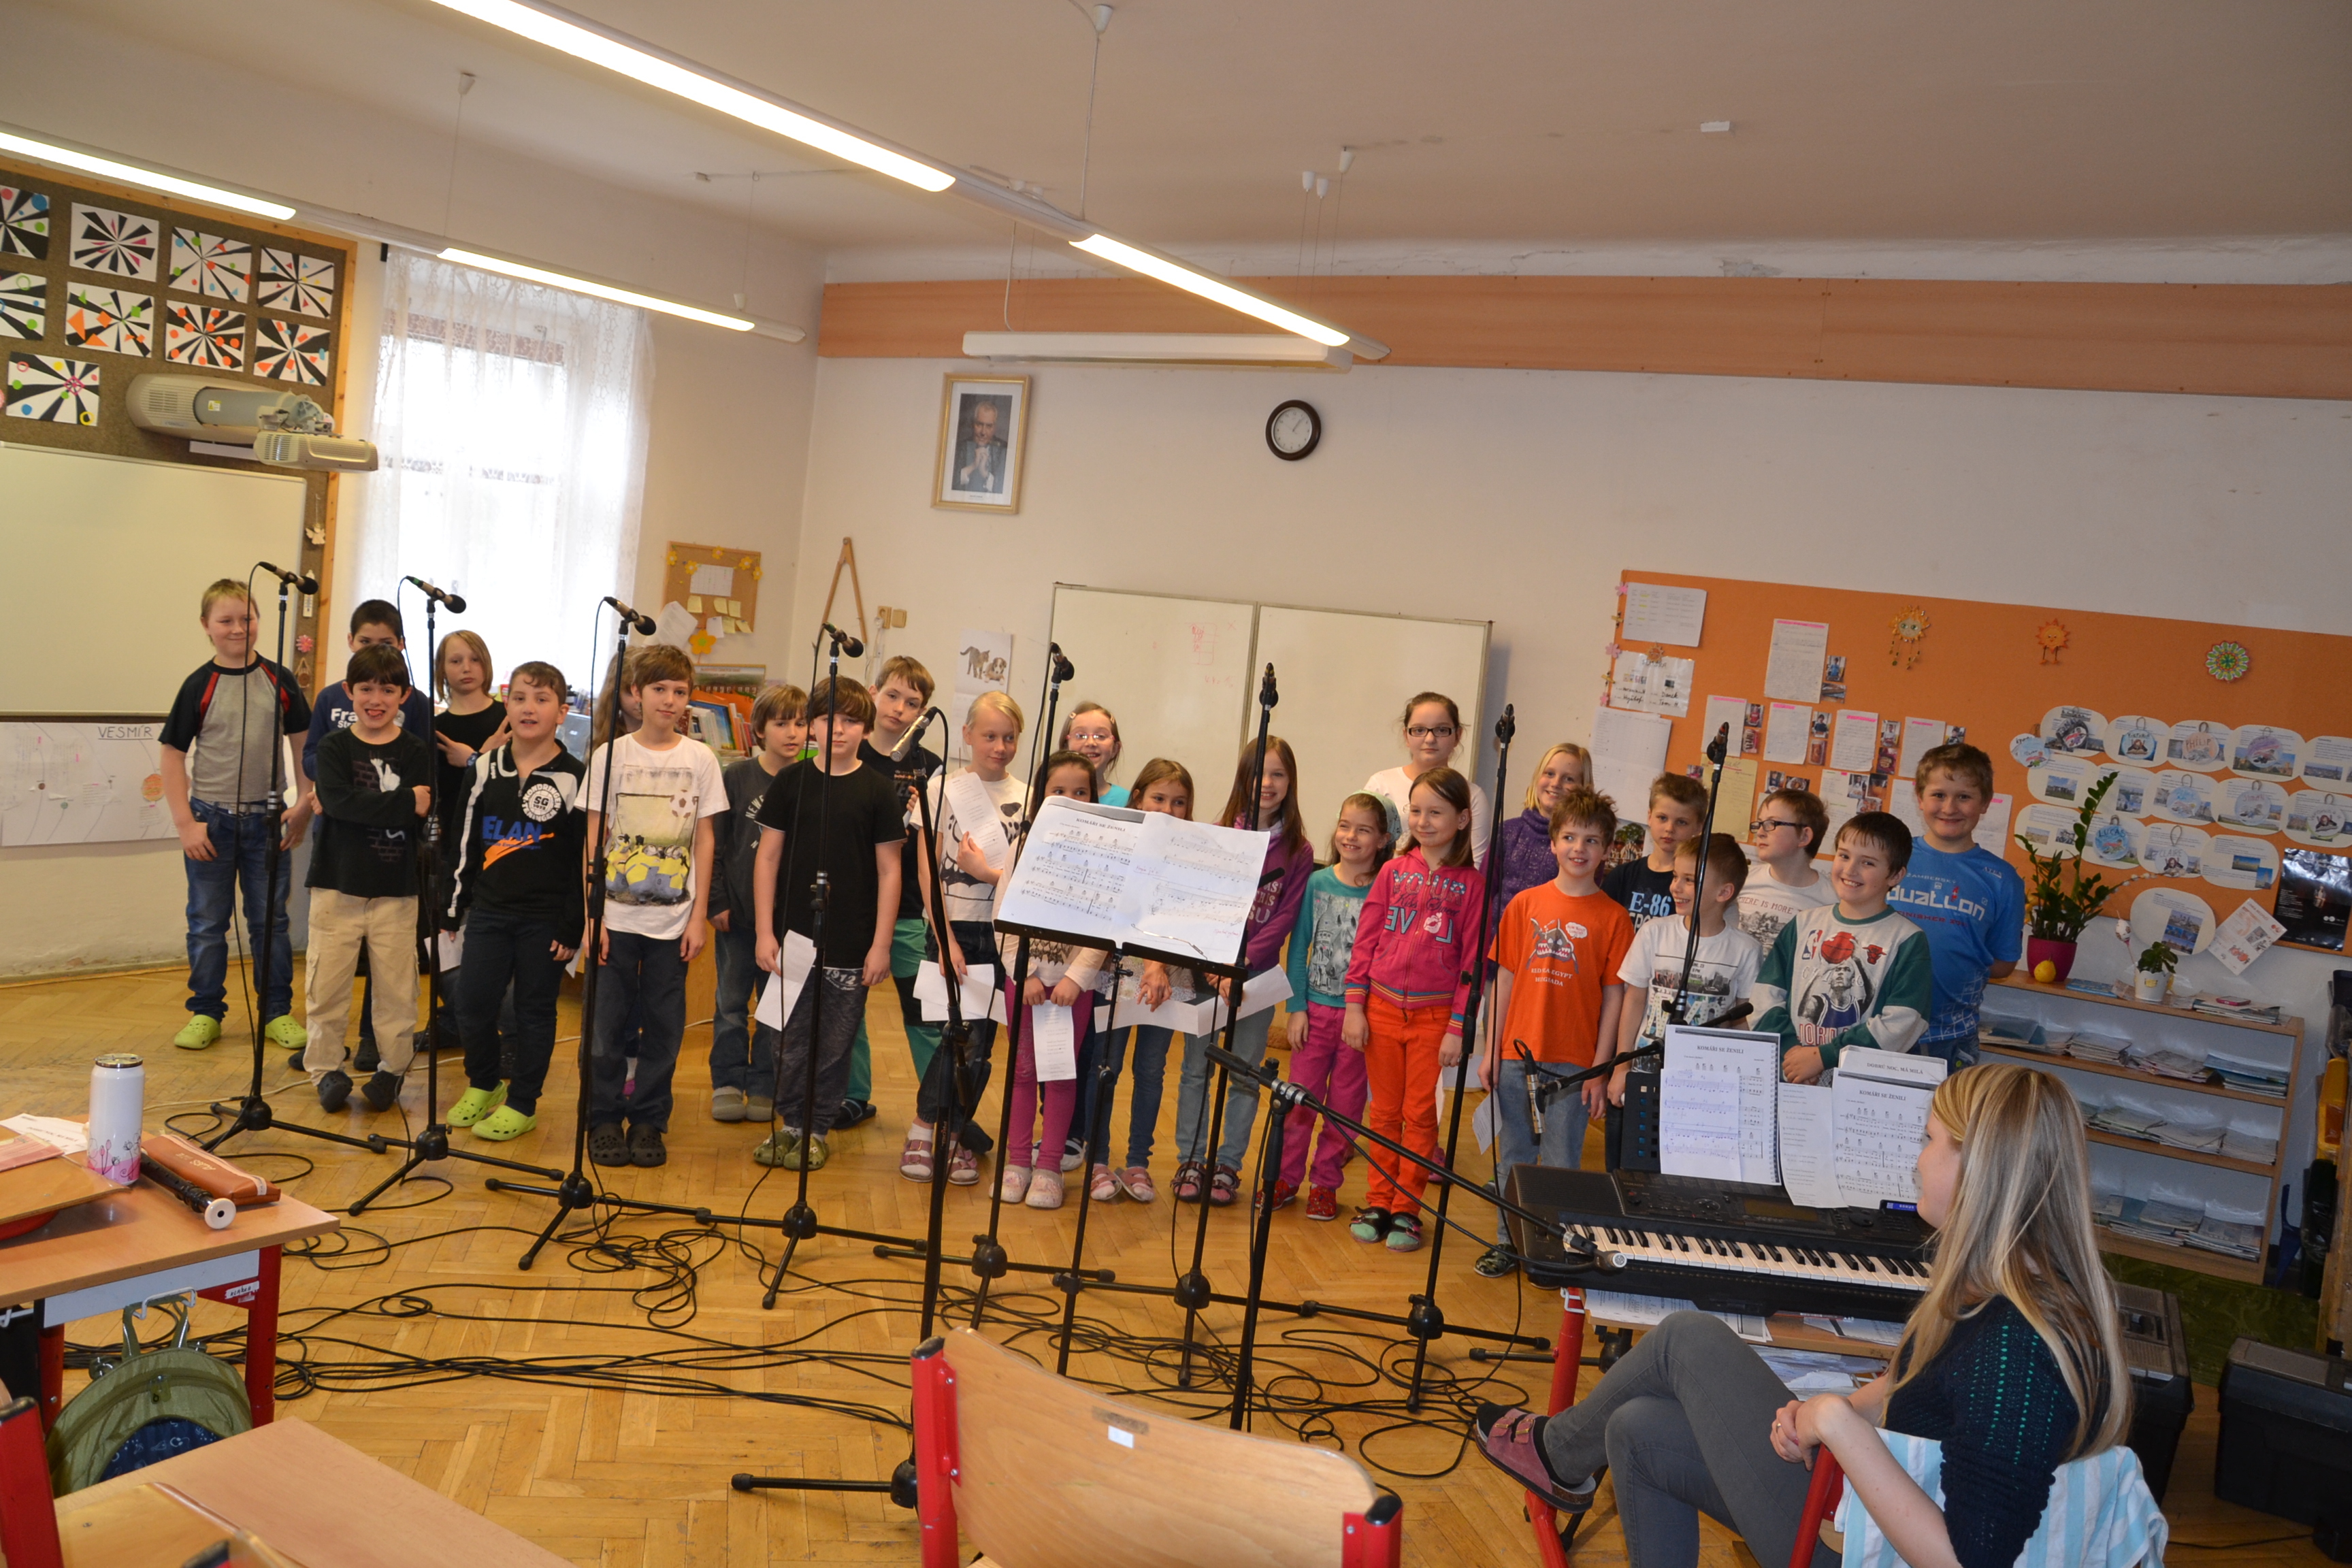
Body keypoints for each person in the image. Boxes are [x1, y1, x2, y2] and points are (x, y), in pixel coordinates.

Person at [1471, 1061, 2134, 1568]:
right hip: (1863, 1515)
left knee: (1687, 1338)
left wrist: (1837, 1424)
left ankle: (1557, 1455)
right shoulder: (1995, 1292)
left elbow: (1967, 1559)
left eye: (1930, 1139)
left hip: (1861, 1550)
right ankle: (1562, 1457)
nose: (1916, 1159)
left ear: (1980, 1168)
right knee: (1637, 1428)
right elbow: (1913, 1388)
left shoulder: (2020, 1348)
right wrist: (1828, 1411)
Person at [1477, 787, 1635, 1277]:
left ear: (1607, 850)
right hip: (1515, 1054)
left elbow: (1615, 1000)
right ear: (1553, 842)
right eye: (1569, 837)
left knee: (1563, 1160)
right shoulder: (1524, 904)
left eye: (1591, 840)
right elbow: (1503, 981)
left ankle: (1551, 1250)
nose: (1578, 848)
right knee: (1514, 1156)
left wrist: (1599, 1070)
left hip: (1575, 1065)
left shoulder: (1615, 919)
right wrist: (1491, 1050)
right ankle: (1509, 1242)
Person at [749, 676, 904, 1173]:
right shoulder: (791, 782)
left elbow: (890, 871)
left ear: (867, 728)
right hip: (791, 939)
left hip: (851, 944)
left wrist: (881, 945)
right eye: (827, 718)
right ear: (812, 724)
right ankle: (791, 1124)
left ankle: (816, 1130)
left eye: (852, 721)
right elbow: (767, 859)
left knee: (834, 1046)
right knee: (784, 1040)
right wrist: (765, 932)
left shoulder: (878, 790)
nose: (838, 729)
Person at [583, 642, 725, 1169]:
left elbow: (705, 841)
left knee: (664, 1029)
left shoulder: (700, 759)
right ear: (635, 694)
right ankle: (601, 1117)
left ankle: (648, 1119)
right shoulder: (611, 756)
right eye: (659, 689)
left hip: (674, 922)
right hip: (615, 919)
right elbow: (593, 839)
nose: (669, 700)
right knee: (605, 1028)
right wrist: (593, 916)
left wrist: (697, 916)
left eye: (679, 691)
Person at [160, 579, 314, 1054]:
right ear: (206, 626)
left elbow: (304, 746)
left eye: (246, 618)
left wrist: (303, 805)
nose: (237, 628)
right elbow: (172, 755)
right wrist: (186, 824)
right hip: (211, 822)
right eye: (225, 620)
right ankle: (206, 1012)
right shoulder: (198, 685)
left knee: (271, 923)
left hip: (267, 824)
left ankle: (276, 1011)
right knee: (208, 924)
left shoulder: (279, 680)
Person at [1343, 766, 1486, 1254]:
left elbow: (1472, 964)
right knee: (1384, 1112)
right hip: (1381, 1010)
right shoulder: (1392, 872)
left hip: (1434, 1018)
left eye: (1436, 813)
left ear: (1462, 819)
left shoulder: (1472, 885)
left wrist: (1457, 1027)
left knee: (1421, 1114)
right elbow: (1366, 941)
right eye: (1417, 811)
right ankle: (1378, 1202)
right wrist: (1355, 1005)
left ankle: (1407, 1207)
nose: (1423, 821)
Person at [440, 660, 585, 1141]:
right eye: (520, 698)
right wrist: (452, 908)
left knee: (534, 1011)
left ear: (561, 712)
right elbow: (463, 842)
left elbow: (583, 860)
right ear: (507, 704)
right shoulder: (485, 768)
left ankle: (523, 1102)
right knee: (471, 1002)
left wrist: (573, 925)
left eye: (542, 700)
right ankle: (484, 1083)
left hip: (546, 919)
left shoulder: (575, 777)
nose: (529, 708)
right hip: (489, 911)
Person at [291, 598, 432, 1072]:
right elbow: (338, 802)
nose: (376, 699)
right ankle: (324, 1069)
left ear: (403, 696)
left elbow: (420, 809)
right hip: (337, 882)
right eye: (366, 689)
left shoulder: (415, 750)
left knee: (397, 992)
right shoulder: (334, 746)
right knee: (327, 987)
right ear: (348, 692)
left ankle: (392, 1070)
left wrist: (352, 803)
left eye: (387, 690)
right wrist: (402, 801)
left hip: (396, 889)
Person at [1173, 736, 1316, 1206]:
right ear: (1243, 779)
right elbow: (1200, 903)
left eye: (1278, 774)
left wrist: (1243, 963)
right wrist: (1218, 964)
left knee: (1245, 1075)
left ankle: (1228, 1165)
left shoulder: (1298, 850)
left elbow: (1285, 917)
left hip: (1255, 979)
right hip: (1207, 974)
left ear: (1291, 782)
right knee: (1196, 1069)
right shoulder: (1217, 835)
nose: (1267, 783)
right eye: (1258, 773)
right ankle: (1191, 1159)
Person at [902, 691, 1026, 1186]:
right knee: (953, 1035)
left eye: (1009, 738)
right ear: (968, 735)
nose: (999, 747)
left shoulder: (1030, 796)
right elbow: (926, 869)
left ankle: (953, 1136)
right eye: (990, 736)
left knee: (982, 1045)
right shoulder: (942, 788)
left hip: (1002, 935)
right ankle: (923, 1128)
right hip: (951, 928)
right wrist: (946, 938)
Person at [1264, 791, 1390, 1222]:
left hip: (1361, 1020)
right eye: (1345, 825)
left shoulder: (1386, 888)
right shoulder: (1318, 883)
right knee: (1300, 1101)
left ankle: (1325, 1184)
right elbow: (1299, 946)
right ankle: (1285, 1178)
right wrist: (1296, 1007)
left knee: (1346, 1109)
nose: (1351, 836)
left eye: (1364, 830)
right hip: (1314, 1013)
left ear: (1382, 840)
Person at [1078, 758, 1198, 1203]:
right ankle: (1097, 1161)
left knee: (1150, 1070)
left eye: (1179, 802)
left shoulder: (1188, 856)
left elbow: (1181, 917)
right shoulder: (1120, 846)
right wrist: (1151, 964)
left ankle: (1138, 1163)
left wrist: (1160, 966)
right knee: (1104, 1067)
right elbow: (1119, 910)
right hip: (1116, 975)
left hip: (1170, 981)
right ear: (1137, 799)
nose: (1168, 809)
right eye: (1159, 798)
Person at [994, 751, 1106, 1209]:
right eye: (1059, 791)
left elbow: (1104, 922)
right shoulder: (1023, 847)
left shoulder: (1103, 855)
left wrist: (1076, 978)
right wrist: (1024, 974)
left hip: (1072, 991)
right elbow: (1003, 915)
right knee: (1022, 1073)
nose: (1070, 799)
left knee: (1061, 1075)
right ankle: (1019, 1161)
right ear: (1041, 796)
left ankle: (1050, 1167)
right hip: (1025, 983)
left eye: (1081, 792)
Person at [1754, 812, 1932, 1083]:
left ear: (1896, 875)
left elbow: (1903, 1022)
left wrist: (1824, 1057)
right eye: (1844, 856)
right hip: (1791, 1073)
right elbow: (1765, 995)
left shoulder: (1907, 940)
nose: (1850, 870)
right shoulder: (1803, 924)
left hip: (1860, 1087)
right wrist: (1792, 1055)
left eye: (1868, 863)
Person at [1605, 832, 1763, 1131]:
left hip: (1708, 1083)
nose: (1675, 886)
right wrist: (1622, 1066)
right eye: (1676, 876)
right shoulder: (1654, 932)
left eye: (1689, 880)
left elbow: (1743, 1020)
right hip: (1646, 1073)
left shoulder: (1746, 950)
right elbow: (1634, 1001)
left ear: (1724, 892)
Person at [1889, 743, 2025, 1068]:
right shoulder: (1890, 857)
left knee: (1947, 1106)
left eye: (1964, 797)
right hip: (1875, 1027)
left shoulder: (2002, 879)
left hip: (1950, 1036)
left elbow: (2004, 964)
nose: (1950, 808)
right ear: (1920, 797)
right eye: (1938, 795)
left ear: (1985, 803)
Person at [847, 656, 940, 1130]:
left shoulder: (931, 768)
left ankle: (939, 1106)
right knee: (848, 1010)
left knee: (924, 1014)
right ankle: (852, 1095)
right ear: (874, 692)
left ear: (923, 714)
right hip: (852, 907)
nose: (900, 709)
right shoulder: (849, 752)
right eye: (892, 696)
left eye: (913, 703)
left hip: (906, 911)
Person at [706, 684, 805, 1124]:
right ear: (759, 730)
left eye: (800, 723)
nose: (793, 732)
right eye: (782, 723)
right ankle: (727, 1082)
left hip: (786, 922)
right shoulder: (737, 778)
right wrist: (717, 900)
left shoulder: (809, 781)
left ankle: (765, 1084)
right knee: (730, 1004)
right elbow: (716, 843)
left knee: (775, 1007)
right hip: (738, 917)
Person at [427, 629, 507, 1045]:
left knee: (487, 939)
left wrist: (477, 759)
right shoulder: (434, 726)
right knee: (446, 934)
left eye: (474, 659)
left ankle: (496, 1026)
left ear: (486, 665)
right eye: (455, 661)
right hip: (450, 845)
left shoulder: (507, 717)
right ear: (442, 669)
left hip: (498, 843)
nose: (466, 669)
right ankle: (456, 1019)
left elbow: (517, 783)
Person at [1363, 691, 1494, 867]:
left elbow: (1476, 864)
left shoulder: (1472, 796)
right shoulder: (1381, 784)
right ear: (1406, 736)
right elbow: (1361, 850)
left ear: (1458, 736)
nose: (1430, 739)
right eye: (1419, 730)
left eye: (1441, 730)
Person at [1601, 773, 1705, 929]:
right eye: (1662, 818)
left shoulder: (1698, 885)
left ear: (1699, 827)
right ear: (1650, 817)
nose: (1670, 828)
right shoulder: (1622, 876)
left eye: (1682, 822)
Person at [1497, 743, 1592, 914]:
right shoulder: (1508, 831)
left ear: (1584, 789)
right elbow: (1484, 891)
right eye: (1549, 774)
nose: (1556, 783)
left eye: (1569, 779)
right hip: (1499, 929)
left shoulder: (1582, 846)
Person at [1735, 786, 1834, 948]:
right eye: (1760, 824)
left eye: (1772, 823)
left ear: (1804, 836)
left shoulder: (1831, 901)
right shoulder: (1742, 880)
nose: (1760, 832)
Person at [1059, 702, 1126, 806]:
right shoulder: (1050, 795)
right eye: (1080, 736)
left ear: (1115, 749)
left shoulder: (1127, 801)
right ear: (1065, 746)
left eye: (1101, 736)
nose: (1091, 743)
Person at [951, 397, 1008, 493]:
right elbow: (950, 485)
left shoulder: (1004, 450)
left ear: (995, 428)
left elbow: (1004, 490)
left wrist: (984, 473)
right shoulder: (959, 448)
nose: (983, 432)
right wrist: (972, 467)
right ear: (973, 424)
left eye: (989, 426)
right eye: (979, 424)